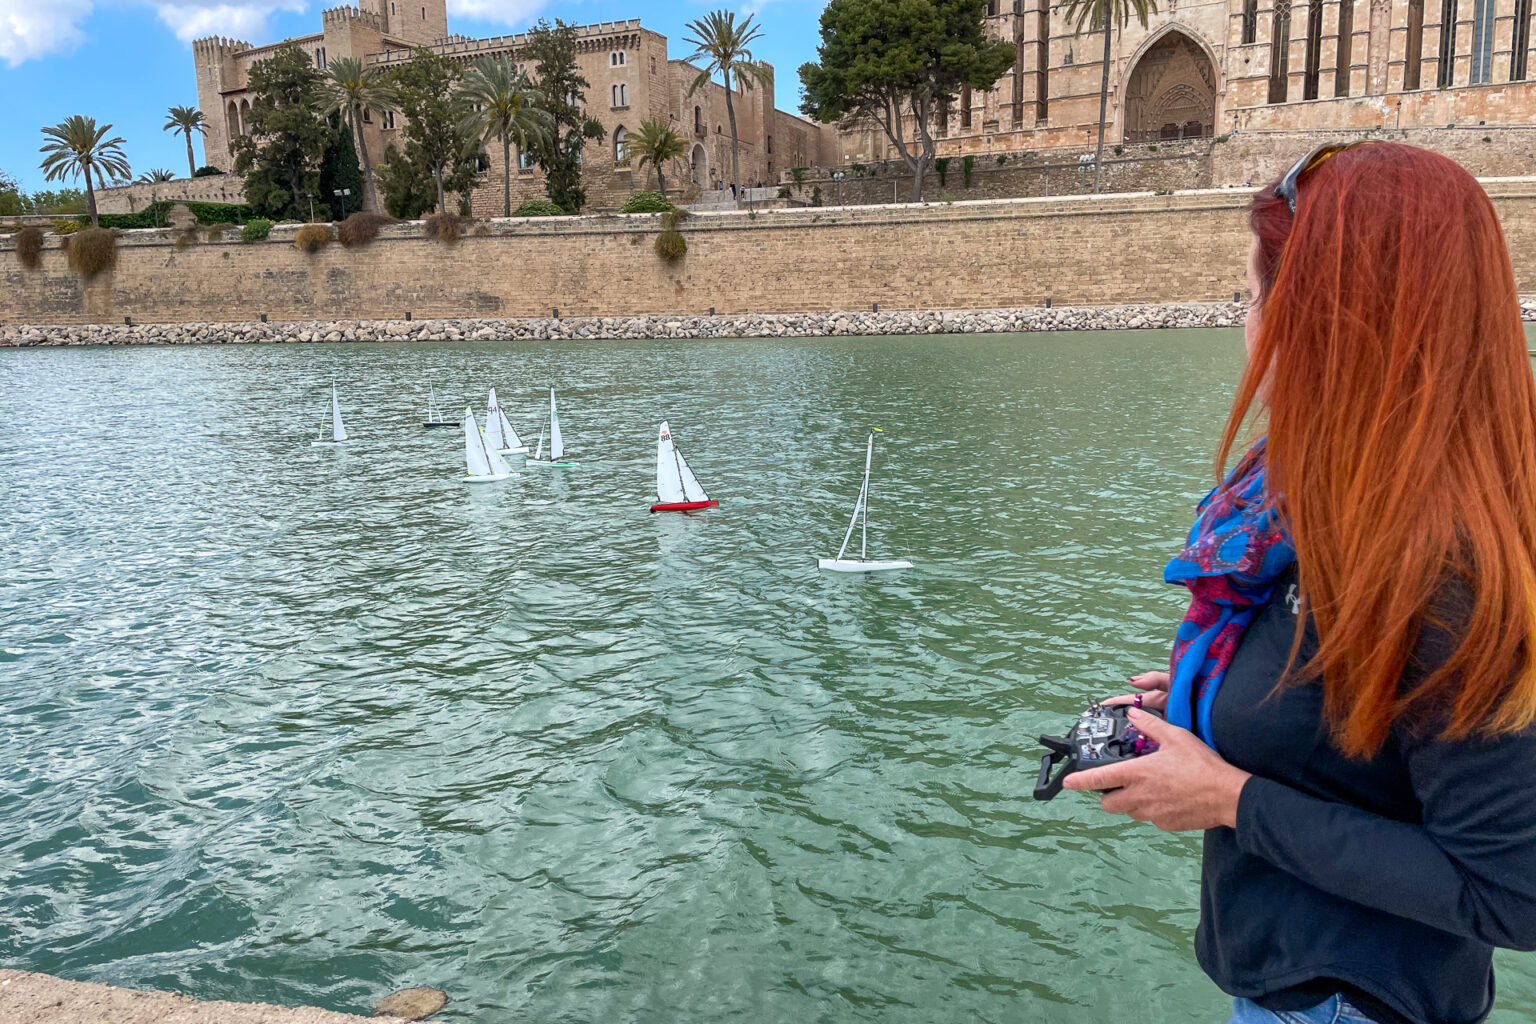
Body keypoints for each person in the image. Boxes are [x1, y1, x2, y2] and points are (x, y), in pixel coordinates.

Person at [1064, 141, 1536, 1024]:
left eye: (1251, 298)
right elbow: (1357, 722)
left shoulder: (1447, 573)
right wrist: (1228, 700)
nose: (1245, 326)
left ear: (1325, 322)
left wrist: (1231, 799)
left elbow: (1511, 892)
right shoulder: (1332, 515)